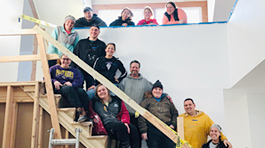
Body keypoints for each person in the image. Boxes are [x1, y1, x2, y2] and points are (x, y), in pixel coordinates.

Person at [138, 80, 178, 148]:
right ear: (152, 90)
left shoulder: (167, 100)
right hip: (153, 128)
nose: (157, 91)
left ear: (162, 91)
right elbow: (141, 116)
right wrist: (143, 131)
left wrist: (173, 124)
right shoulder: (146, 101)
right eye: (156, 89)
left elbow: (175, 113)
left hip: (167, 128)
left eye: (160, 89)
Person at [50, 54, 90, 122]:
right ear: (60, 59)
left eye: (68, 59)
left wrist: (72, 84)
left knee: (81, 91)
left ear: (70, 61)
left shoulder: (75, 71)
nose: (65, 61)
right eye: (64, 59)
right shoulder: (54, 68)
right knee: (68, 89)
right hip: (59, 88)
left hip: (71, 88)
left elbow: (79, 81)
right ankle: (80, 111)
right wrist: (54, 81)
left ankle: (87, 112)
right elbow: (46, 78)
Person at [72, 24, 106, 91]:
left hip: (93, 71)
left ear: (99, 32)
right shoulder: (81, 43)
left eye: (96, 30)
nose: (94, 31)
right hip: (80, 69)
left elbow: (103, 60)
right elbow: (74, 56)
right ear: (89, 31)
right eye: (92, 29)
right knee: (78, 88)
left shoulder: (102, 45)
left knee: (91, 91)